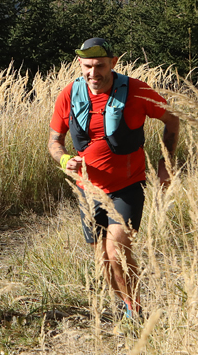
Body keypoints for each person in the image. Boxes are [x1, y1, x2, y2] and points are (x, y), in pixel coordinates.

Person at [47, 37, 180, 320]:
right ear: (80, 65)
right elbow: (54, 141)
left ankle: (135, 311)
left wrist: (165, 163)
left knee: (117, 249)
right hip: (88, 189)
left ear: (113, 63)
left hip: (127, 185)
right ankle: (127, 303)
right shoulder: (70, 94)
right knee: (103, 260)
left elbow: (172, 119)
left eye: (100, 66)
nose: (93, 73)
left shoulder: (136, 90)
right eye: (87, 66)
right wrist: (64, 159)